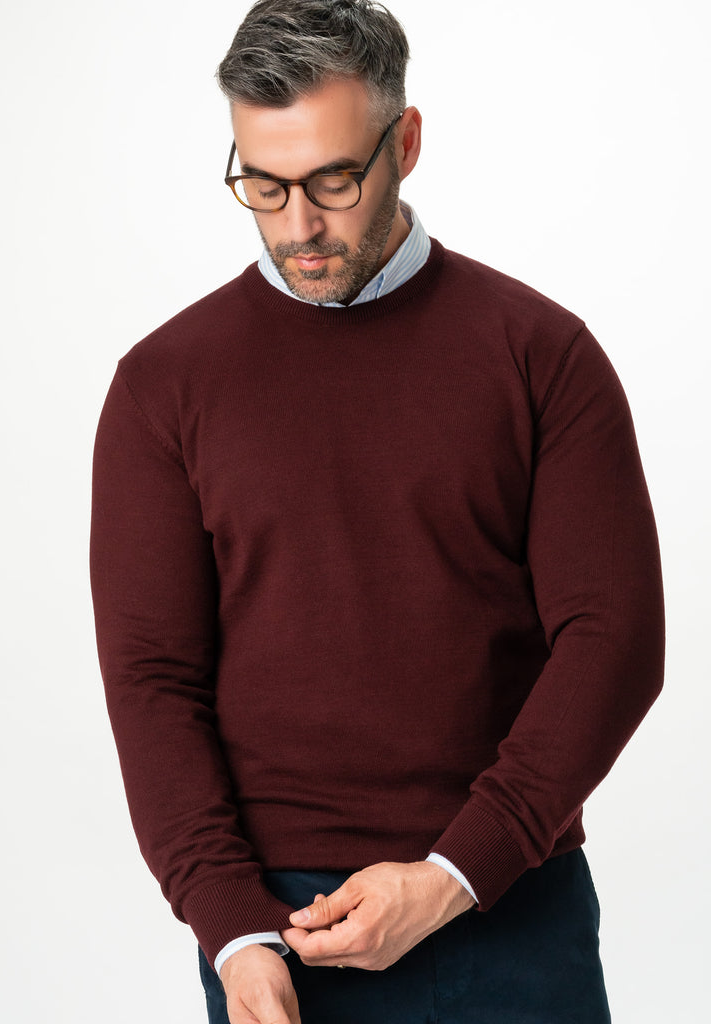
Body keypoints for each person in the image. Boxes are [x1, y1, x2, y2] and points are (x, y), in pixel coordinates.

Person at [90, 2, 664, 1022]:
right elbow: (152, 679)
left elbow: (614, 641)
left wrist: (456, 873)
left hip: (509, 902)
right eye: (264, 185)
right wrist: (230, 927)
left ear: (405, 142)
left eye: (333, 182)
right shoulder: (163, 385)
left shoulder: (543, 355)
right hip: (280, 935)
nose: (298, 226)